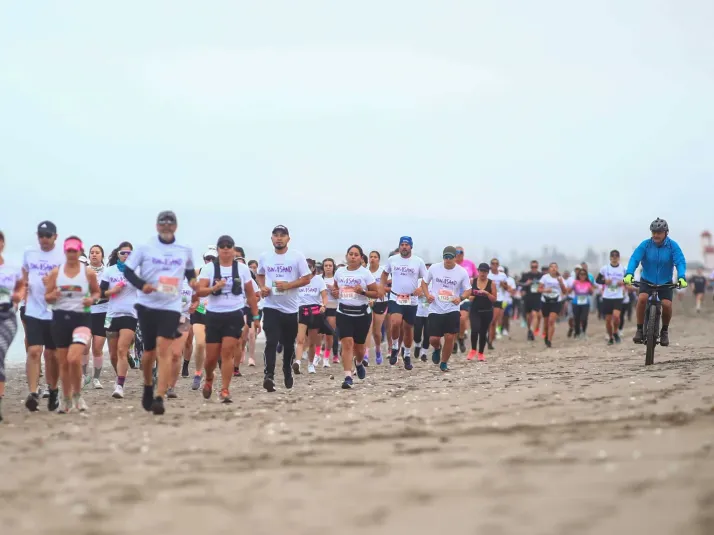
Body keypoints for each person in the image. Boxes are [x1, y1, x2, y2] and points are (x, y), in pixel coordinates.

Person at [123, 210, 197, 415]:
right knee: (149, 353)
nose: (166, 227)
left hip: (171, 306)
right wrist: (142, 285)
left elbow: (189, 271)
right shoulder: (145, 247)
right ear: (157, 226)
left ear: (176, 226)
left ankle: (159, 397)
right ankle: (148, 386)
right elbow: (127, 270)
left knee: (164, 350)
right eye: (162, 223)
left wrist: (193, 282)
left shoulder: (184, 249)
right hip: (147, 304)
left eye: (170, 224)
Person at [44, 236, 101, 412]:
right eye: (68, 250)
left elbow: (97, 293)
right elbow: (47, 297)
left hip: (82, 319)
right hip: (60, 319)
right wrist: (53, 296)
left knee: (74, 358)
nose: (71, 254)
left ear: (79, 251)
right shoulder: (56, 273)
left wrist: (91, 299)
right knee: (63, 362)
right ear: (65, 251)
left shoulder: (88, 273)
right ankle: (66, 398)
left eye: (74, 251)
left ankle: (77, 395)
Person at [256, 225, 311, 392]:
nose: (279, 238)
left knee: (288, 344)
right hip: (270, 306)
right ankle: (269, 376)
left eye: (282, 235)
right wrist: (262, 287)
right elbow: (260, 274)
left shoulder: (296, 256)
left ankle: (287, 370)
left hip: (290, 309)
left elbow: (307, 278)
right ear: (271, 238)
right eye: (276, 235)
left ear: (288, 238)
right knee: (271, 341)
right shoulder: (265, 257)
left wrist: (289, 285)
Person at [22, 220, 64, 412]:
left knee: (52, 355)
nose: (44, 239)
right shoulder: (29, 252)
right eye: (41, 235)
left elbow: (70, 281)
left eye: (48, 236)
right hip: (33, 309)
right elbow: (24, 273)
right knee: (34, 350)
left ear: (55, 236)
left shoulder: (62, 255)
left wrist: (54, 284)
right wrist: (22, 290)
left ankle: (53, 390)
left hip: (55, 312)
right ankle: (33, 393)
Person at [624, 218, 687, 346]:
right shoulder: (645, 245)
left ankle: (664, 331)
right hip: (647, 279)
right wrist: (629, 273)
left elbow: (680, 262)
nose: (656, 235)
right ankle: (639, 329)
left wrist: (681, 277)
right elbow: (635, 259)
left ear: (666, 233)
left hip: (665, 281)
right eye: (653, 232)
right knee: (642, 298)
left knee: (667, 305)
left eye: (659, 232)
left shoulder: (673, 246)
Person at [331, 245, 379, 389]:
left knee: (359, 348)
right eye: (350, 254)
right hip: (343, 313)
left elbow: (376, 293)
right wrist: (335, 292)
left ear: (361, 258)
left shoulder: (365, 273)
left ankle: (358, 363)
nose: (353, 257)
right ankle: (348, 376)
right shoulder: (339, 272)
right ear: (346, 256)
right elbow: (335, 288)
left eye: (356, 254)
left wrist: (363, 292)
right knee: (347, 344)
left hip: (362, 314)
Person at [381, 236, 427, 370]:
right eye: (402, 244)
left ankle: (406, 354)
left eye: (407, 245)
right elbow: (384, 274)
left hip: (411, 299)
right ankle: (395, 347)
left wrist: (421, 288)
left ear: (411, 247)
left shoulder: (418, 261)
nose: (404, 247)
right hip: (395, 297)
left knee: (408, 328)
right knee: (395, 322)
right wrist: (381, 287)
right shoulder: (392, 260)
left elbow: (427, 278)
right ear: (399, 246)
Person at [421, 246, 471, 372]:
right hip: (435, 308)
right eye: (445, 257)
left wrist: (460, 298)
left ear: (455, 258)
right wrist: (427, 295)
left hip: (452, 308)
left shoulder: (461, 272)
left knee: (449, 337)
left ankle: (444, 363)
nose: (447, 259)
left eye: (450, 257)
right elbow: (424, 283)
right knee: (434, 339)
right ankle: (437, 348)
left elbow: (468, 290)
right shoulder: (434, 268)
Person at [101, 242, 137, 399]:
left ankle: (120, 385)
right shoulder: (109, 271)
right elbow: (101, 293)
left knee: (122, 350)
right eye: (123, 253)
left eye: (129, 253)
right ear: (118, 254)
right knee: (113, 355)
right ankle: (119, 378)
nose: (126, 256)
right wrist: (113, 290)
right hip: (112, 315)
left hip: (130, 314)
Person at [0, 230, 25, 422]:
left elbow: (21, 285)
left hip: (6, 316)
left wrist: (18, 296)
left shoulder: (11, 268)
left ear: (3, 244)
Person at [294, 258, 328, 375]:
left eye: (309, 266)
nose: (307, 268)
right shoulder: (298, 279)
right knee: (300, 339)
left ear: (313, 268)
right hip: (301, 310)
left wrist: (323, 305)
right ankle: (297, 362)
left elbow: (324, 296)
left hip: (315, 310)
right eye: (305, 266)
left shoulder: (318, 280)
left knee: (312, 341)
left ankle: (310, 364)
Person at [467, 263, 497, 361]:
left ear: (488, 272)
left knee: (483, 332)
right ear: (478, 271)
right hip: (475, 310)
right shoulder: (473, 281)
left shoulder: (491, 283)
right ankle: (473, 350)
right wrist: (473, 296)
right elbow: (468, 295)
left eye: (485, 271)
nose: (483, 273)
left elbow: (494, 299)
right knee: (475, 329)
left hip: (487, 311)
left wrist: (487, 293)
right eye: (481, 271)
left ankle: (481, 353)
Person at [597, 250, 627, 345]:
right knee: (608, 320)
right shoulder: (604, 269)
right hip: (607, 296)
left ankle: (615, 332)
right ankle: (610, 337)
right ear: (610, 258)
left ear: (619, 258)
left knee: (616, 317)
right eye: (612, 256)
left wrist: (623, 282)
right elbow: (597, 280)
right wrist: (604, 281)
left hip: (618, 296)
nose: (614, 257)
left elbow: (630, 279)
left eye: (616, 256)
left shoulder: (623, 269)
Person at [537, 262, 568, 348]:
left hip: (556, 301)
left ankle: (549, 340)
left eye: (555, 267)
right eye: (551, 267)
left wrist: (561, 283)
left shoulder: (560, 278)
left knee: (551, 321)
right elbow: (539, 289)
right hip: (545, 301)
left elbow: (565, 292)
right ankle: (546, 336)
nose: (553, 268)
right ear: (549, 269)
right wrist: (545, 290)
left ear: (557, 269)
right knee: (546, 323)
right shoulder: (545, 277)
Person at [454, 246, 476, 353]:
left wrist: (474, 292)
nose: (459, 254)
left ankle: (461, 337)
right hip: (452, 297)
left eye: (461, 252)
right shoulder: (450, 264)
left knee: (462, 319)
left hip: (465, 296)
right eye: (456, 252)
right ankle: (453, 343)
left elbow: (477, 279)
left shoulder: (469, 264)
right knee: (453, 321)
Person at [571, 269, 594, 338]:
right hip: (576, 303)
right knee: (576, 318)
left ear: (586, 276)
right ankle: (577, 332)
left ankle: (583, 332)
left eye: (584, 274)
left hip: (585, 303)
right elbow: (569, 290)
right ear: (578, 275)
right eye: (581, 274)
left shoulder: (588, 283)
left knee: (584, 318)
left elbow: (591, 293)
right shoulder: (575, 282)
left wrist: (591, 290)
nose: (582, 276)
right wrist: (572, 286)